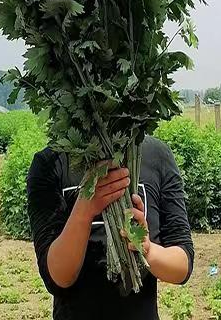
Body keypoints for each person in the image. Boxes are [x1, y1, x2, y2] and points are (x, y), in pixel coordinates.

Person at [27, 135, 194, 319]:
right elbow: (57, 278)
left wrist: (147, 250)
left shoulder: (157, 155)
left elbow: (182, 266)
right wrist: (84, 209)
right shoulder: (50, 163)